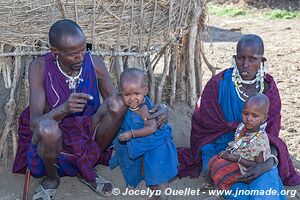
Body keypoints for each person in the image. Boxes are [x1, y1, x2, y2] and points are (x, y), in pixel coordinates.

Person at [12, 19, 168, 199]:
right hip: (54, 138)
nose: (80, 57)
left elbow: (121, 102)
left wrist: (158, 108)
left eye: (83, 49)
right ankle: (52, 179)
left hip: (88, 132)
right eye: (73, 54)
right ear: (55, 52)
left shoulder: (93, 63)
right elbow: (34, 123)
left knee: (117, 103)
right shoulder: (40, 67)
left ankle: (87, 168)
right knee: (48, 129)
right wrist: (63, 109)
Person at [178, 34, 300, 199]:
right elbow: (204, 129)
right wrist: (231, 154)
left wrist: (268, 162)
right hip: (222, 150)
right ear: (234, 58)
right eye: (241, 58)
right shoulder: (218, 83)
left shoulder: (268, 89)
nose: (246, 65)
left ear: (262, 61)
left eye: (253, 59)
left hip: (257, 151)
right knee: (232, 175)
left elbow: (270, 136)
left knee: (264, 175)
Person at [109, 68, 178, 199]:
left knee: (156, 173)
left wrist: (131, 134)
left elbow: (151, 128)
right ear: (121, 93)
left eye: (136, 94)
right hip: (145, 145)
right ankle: (155, 192)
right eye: (127, 95)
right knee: (147, 171)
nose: (132, 98)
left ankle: (162, 194)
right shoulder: (130, 106)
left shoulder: (143, 109)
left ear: (145, 91)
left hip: (154, 146)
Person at [204, 93, 273, 191]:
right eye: (245, 113)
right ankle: (208, 184)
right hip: (237, 157)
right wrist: (229, 152)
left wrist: (237, 159)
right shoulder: (243, 129)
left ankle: (220, 192)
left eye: (255, 116)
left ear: (264, 118)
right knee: (213, 160)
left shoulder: (259, 141)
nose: (249, 118)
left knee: (221, 169)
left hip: (245, 168)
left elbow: (258, 165)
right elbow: (239, 144)